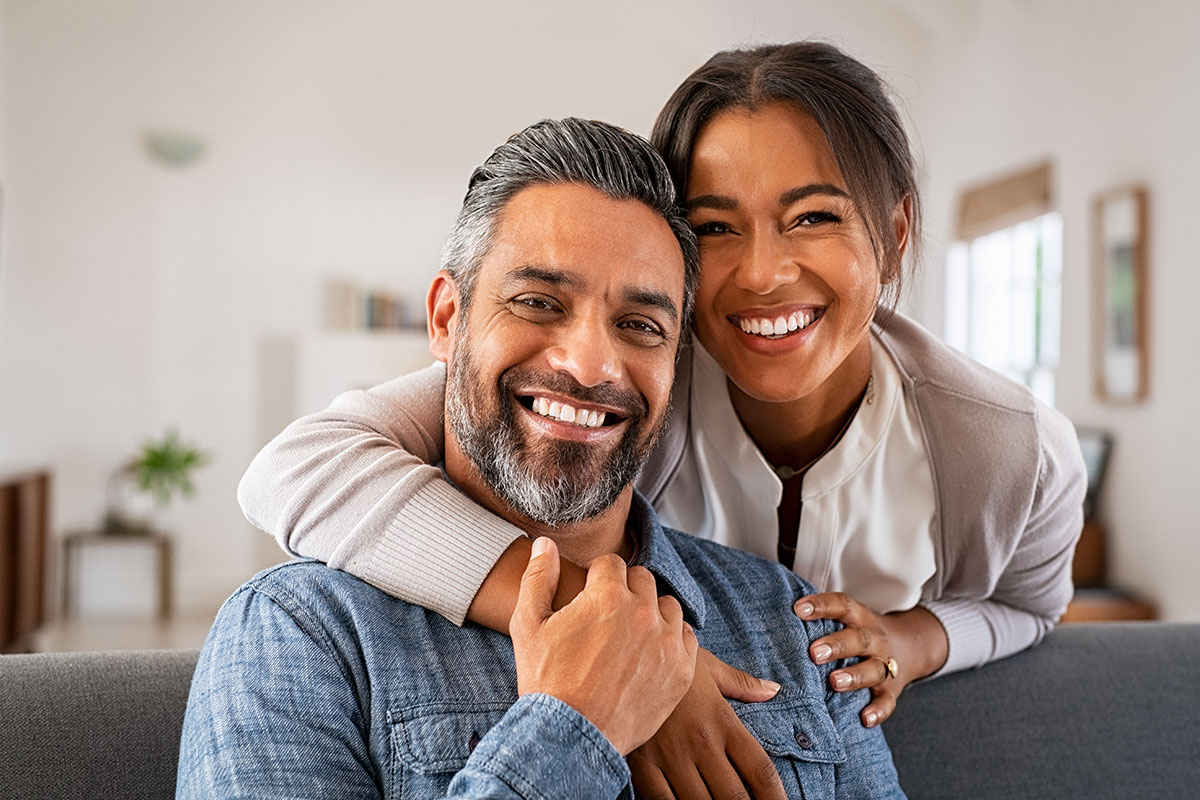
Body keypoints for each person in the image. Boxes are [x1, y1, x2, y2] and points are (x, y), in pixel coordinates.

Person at [239, 41, 1086, 796]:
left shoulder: (1004, 446)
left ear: (895, 233)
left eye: (815, 216)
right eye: (716, 227)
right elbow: (300, 467)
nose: (761, 273)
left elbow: (1033, 605)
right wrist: (620, 645)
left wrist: (916, 639)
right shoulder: (632, 379)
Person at [177, 117, 905, 799]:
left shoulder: (791, 620)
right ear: (447, 320)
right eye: (537, 303)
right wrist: (569, 728)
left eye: (639, 324)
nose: (591, 364)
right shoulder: (300, 634)